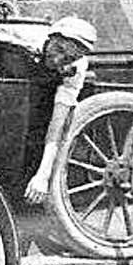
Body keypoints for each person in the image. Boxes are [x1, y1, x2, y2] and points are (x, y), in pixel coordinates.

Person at [23, 15, 98, 203]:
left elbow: (58, 123)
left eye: (68, 58)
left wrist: (43, 175)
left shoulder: (77, 68)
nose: (58, 59)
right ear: (51, 38)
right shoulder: (24, 39)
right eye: (58, 48)